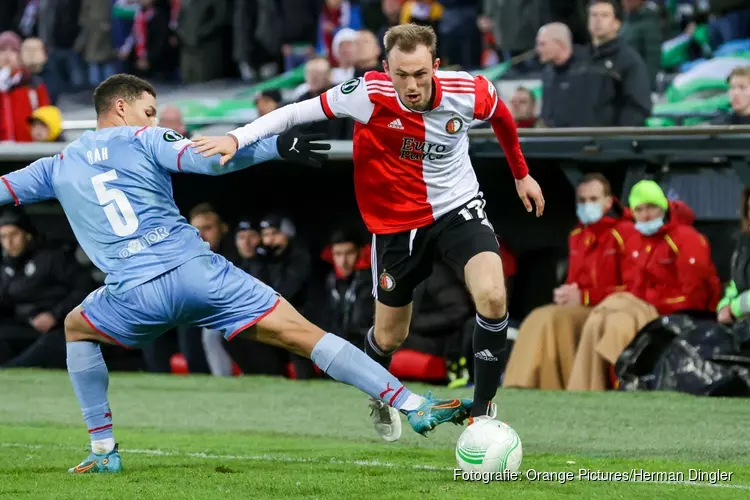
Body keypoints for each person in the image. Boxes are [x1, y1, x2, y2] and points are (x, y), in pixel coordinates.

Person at [0, 74, 470, 474]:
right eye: (149, 110)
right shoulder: (145, 139)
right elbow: (208, 158)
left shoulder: (56, 165)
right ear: (120, 108)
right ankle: (415, 405)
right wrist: (275, 147)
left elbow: (4, 189)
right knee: (305, 335)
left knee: (76, 327)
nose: (155, 120)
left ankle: (103, 450)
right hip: (197, 274)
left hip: (133, 294)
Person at [193, 23, 545, 441]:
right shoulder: (367, 93)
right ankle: (379, 393)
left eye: (419, 74)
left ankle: (484, 414)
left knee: (491, 294)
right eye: (401, 74)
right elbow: (294, 112)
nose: (411, 85)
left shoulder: (468, 90)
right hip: (394, 226)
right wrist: (236, 137)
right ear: (385, 68)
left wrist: (522, 175)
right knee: (389, 335)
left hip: (457, 206)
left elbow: (502, 116)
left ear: (435, 66)